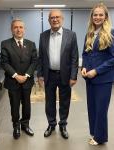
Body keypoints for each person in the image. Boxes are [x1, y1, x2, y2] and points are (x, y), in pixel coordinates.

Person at [81, 3, 114, 145]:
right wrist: (84, 67)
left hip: (103, 79)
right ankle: (94, 133)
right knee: (92, 107)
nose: (97, 17)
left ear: (105, 17)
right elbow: (85, 54)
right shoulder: (89, 34)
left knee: (101, 109)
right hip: (89, 78)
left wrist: (96, 71)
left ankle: (100, 137)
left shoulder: (111, 32)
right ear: (92, 17)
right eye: (95, 15)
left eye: (100, 14)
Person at [37, 9, 79, 139]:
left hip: (65, 75)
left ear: (62, 19)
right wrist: (39, 74)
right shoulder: (43, 35)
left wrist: (73, 76)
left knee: (64, 102)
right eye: (52, 17)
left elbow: (74, 57)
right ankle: (51, 124)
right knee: (49, 102)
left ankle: (63, 125)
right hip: (49, 74)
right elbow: (41, 57)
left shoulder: (71, 35)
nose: (55, 19)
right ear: (49, 20)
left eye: (57, 17)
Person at [0, 19, 37, 139]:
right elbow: (4, 63)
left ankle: (25, 125)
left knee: (27, 104)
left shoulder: (31, 44)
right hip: (13, 81)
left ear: (24, 29)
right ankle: (16, 126)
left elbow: (34, 61)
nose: (18, 29)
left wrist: (26, 75)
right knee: (14, 105)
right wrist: (16, 75)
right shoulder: (5, 44)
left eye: (21, 27)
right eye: (15, 27)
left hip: (27, 81)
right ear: (12, 30)